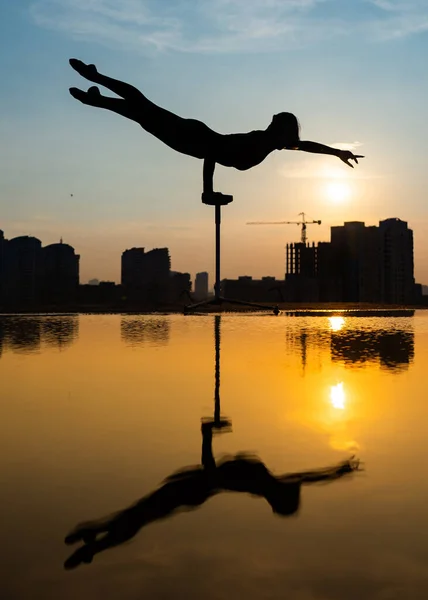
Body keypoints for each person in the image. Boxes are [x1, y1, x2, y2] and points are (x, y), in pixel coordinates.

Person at [64, 420, 360, 569]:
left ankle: (92, 539)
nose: (291, 487)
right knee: (138, 519)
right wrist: (338, 472)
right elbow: (309, 478)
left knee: (139, 516)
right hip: (189, 489)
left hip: (192, 490)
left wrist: (338, 472)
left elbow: (308, 478)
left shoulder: (261, 482)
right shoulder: (260, 482)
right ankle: (89, 542)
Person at [69, 59, 364, 202]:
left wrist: (336, 151)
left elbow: (305, 145)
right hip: (193, 136)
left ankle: (94, 98)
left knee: (141, 113)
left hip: (194, 137)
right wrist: (207, 191)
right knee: (142, 108)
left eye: (278, 126)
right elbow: (212, 152)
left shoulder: (270, 143)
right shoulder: (262, 142)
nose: (273, 126)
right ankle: (95, 81)